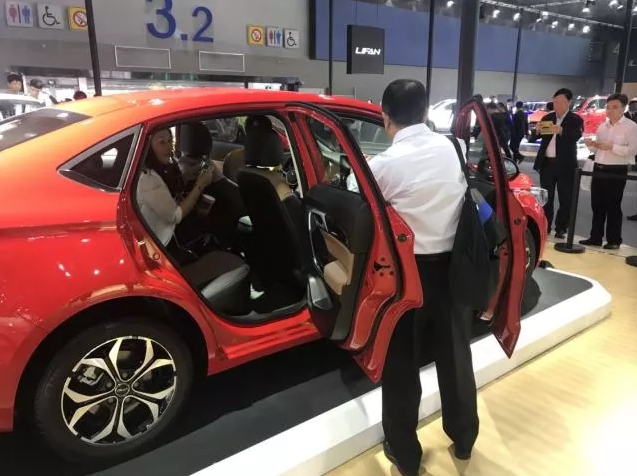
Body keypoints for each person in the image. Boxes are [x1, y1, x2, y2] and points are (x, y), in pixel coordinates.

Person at [374, 79, 475, 476]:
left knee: (401, 364)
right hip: (453, 270)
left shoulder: (382, 165)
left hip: (406, 277)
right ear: (426, 111)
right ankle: (464, 438)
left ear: (385, 116)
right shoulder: (455, 147)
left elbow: (356, 200)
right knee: (455, 357)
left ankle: (405, 454)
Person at [136, 128, 216, 258]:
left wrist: (191, 175)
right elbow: (175, 216)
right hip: (162, 242)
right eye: (161, 142)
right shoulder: (148, 178)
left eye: (170, 141)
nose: (168, 147)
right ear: (147, 147)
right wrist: (200, 185)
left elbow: (172, 186)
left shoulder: (163, 166)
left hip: (169, 230)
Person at [580, 93, 637, 249]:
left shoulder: (631, 127)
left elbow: (633, 150)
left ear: (623, 108)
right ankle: (595, 237)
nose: (610, 110)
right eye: (608, 107)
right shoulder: (602, 126)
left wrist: (612, 147)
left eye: (614, 107)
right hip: (598, 168)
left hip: (616, 170)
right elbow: (597, 149)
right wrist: (591, 144)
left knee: (613, 206)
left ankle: (613, 240)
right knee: (597, 205)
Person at [533, 88, 583, 239]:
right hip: (547, 164)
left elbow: (576, 136)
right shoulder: (547, 117)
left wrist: (561, 130)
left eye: (561, 102)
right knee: (546, 197)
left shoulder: (575, 119)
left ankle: (561, 227)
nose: (557, 105)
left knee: (565, 198)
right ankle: (546, 225)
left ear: (569, 102)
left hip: (566, 165)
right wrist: (536, 131)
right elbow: (534, 138)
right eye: (555, 102)